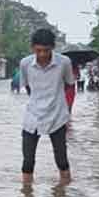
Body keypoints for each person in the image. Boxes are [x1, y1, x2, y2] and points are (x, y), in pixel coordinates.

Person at [20, 29, 75, 185]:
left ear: (53, 48)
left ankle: (64, 192)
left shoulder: (64, 63)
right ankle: (26, 195)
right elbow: (28, 88)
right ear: (32, 48)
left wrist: (66, 110)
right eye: (39, 51)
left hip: (57, 116)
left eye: (46, 50)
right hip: (32, 116)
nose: (43, 54)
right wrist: (38, 100)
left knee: (61, 160)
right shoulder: (25, 64)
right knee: (27, 162)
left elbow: (70, 86)